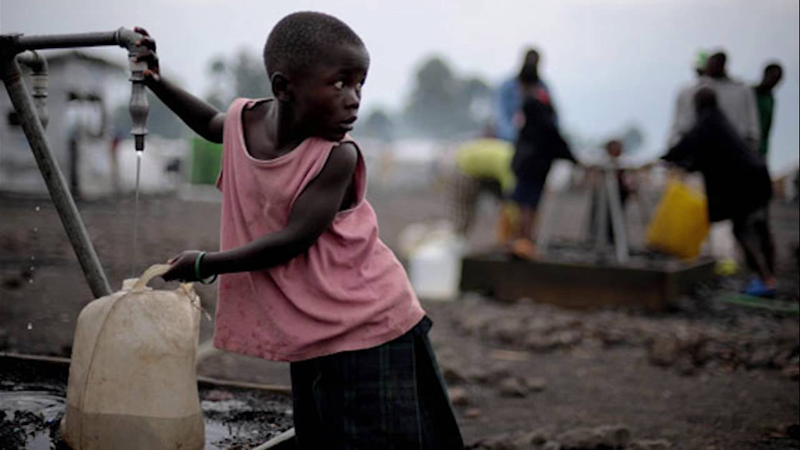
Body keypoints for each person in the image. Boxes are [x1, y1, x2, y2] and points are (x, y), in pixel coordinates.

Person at [133, 12, 463, 448]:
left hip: (367, 324)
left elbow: (292, 241)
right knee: (321, 437)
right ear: (283, 87)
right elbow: (213, 125)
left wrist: (206, 263)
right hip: (310, 326)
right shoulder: (244, 122)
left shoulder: (336, 157)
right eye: (340, 83)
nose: (354, 99)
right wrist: (156, 82)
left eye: (360, 84)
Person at [663, 88, 776, 297]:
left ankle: (766, 279)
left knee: (742, 230)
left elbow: (688, 144)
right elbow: (706, 156)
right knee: (760, 229)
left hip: (746, 184)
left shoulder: (708, 122)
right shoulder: (719, 122)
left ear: (699, 104)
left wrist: (667, 157)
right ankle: (768, 277)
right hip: (758, 178)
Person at [510, 65, 576, 258]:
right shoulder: (543, 101)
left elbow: (546, 132)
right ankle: (526, 240)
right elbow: (553, 129)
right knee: (530, 202)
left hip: (531, 163)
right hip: (538, 162)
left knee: (525, 203)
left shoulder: (531, 104)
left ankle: (525, 241)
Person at [669, 51, 760, 151]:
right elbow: (679, 128)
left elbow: (752, 129)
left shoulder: (741, 90)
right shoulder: (688, 92)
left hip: (733, 156)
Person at [450, 136, 515, 240]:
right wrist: (513, 218)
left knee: (504, 205)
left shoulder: (514, 155)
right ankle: (458, 240)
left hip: (487, 167)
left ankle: (504, 236)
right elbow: (511, 195)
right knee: (463, 212)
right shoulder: (509, 168)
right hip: (466, 166)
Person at [494, 48, 556, 143]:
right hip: (509, 140)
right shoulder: (507, 86)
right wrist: (515, 136)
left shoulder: (543, 88)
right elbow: (501, 116)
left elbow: (552, 117)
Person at [753, 63, 784, 161]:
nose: (774, 82)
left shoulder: (770, 99)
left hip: (759, 149)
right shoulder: (749, 93)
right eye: (773, 77)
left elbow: (767, 127)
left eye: (777, 80)